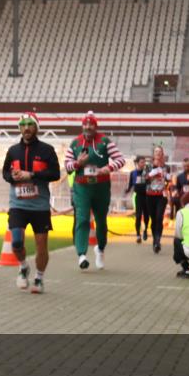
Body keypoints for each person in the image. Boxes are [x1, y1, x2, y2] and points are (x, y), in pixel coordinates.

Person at [1, 112, 61, 293]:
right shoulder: (13, 151)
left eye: (30, 124)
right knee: (16, 242)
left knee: (41, 245)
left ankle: (39, 278)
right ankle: (23, 267)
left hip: (40, 207)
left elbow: (55, 174)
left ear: (36, 127)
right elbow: (5, 173)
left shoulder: (47, 150)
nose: (26, 127)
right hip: (18, 205)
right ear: (19, 128)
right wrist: (12, 176)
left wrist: (32, 175)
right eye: (23, 124)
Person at [64, 111, 125, 270]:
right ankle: (82, 254)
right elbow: (67, 166)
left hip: (101, 187)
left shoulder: (105, 141)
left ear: (95, 126)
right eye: (85, 124)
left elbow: (121, 159)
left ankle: (100, 249)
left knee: (101, 221)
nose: (88, 127)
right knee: (82, 218)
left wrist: (108, 167)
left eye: (91, 124)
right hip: (82, 187)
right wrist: (77, 163)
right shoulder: (75, 143)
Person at [143, 145, 170, 254]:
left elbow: (168, 180)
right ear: (153, 154)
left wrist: (166, 178)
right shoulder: (148, 166)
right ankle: (155, 239)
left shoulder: (166, 167)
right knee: (153, 219)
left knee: (159, 217)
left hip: (161, 195)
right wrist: (153, 174)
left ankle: (158, 240)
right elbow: (145, 179)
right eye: (156, 152)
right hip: (150, 195)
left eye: (160, 152)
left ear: (162, 154)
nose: (158, 153)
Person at [125, 155, 150, 243]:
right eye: (142, 162)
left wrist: (148, 178)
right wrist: (127, 191)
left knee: (146, 216)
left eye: (144, 162)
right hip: (138, 196)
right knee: (138, 215)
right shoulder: (133, 173)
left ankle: (146, 229)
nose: (143, 164)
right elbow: (130, 184)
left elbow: (150, 182)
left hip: (147, 196)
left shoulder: (147, 172)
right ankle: (138, 235)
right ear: (137, 163)